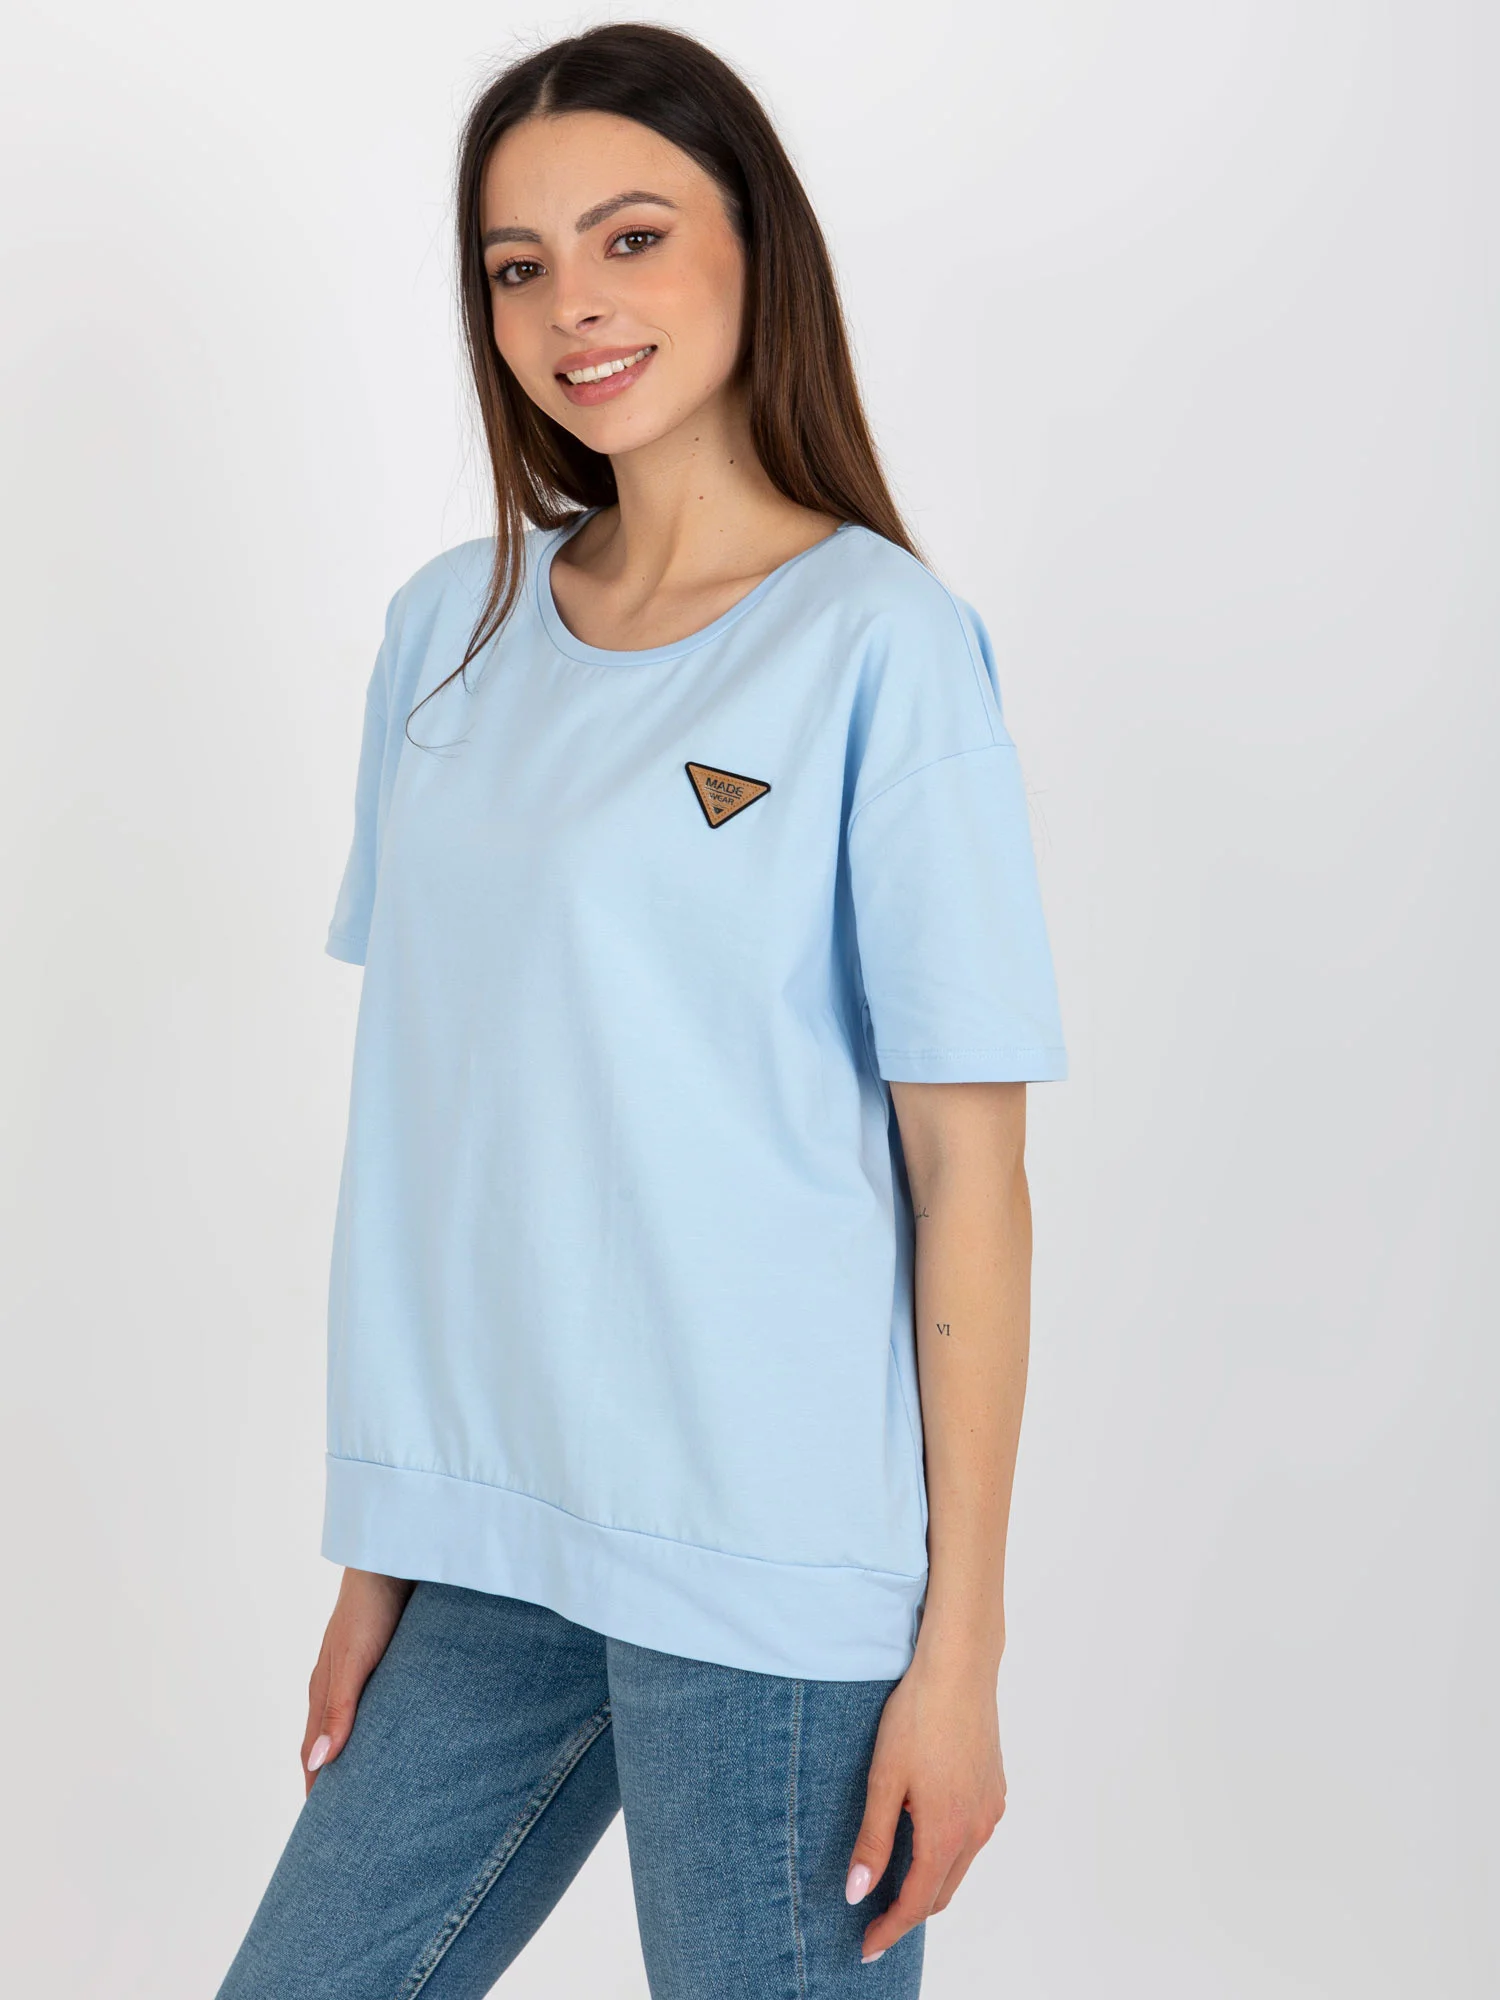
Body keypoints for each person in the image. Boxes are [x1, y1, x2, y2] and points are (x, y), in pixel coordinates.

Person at [215, 22, 1066, 1999]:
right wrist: (385, 1548)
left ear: (756, 247)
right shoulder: (448, 631)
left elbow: (971, 1177)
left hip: (770, 1564)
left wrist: (959, 1655)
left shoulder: (880, 647)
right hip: (493, 1544)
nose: (572, 306)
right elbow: (449, 1120)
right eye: (518, 265)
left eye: (631, 237)